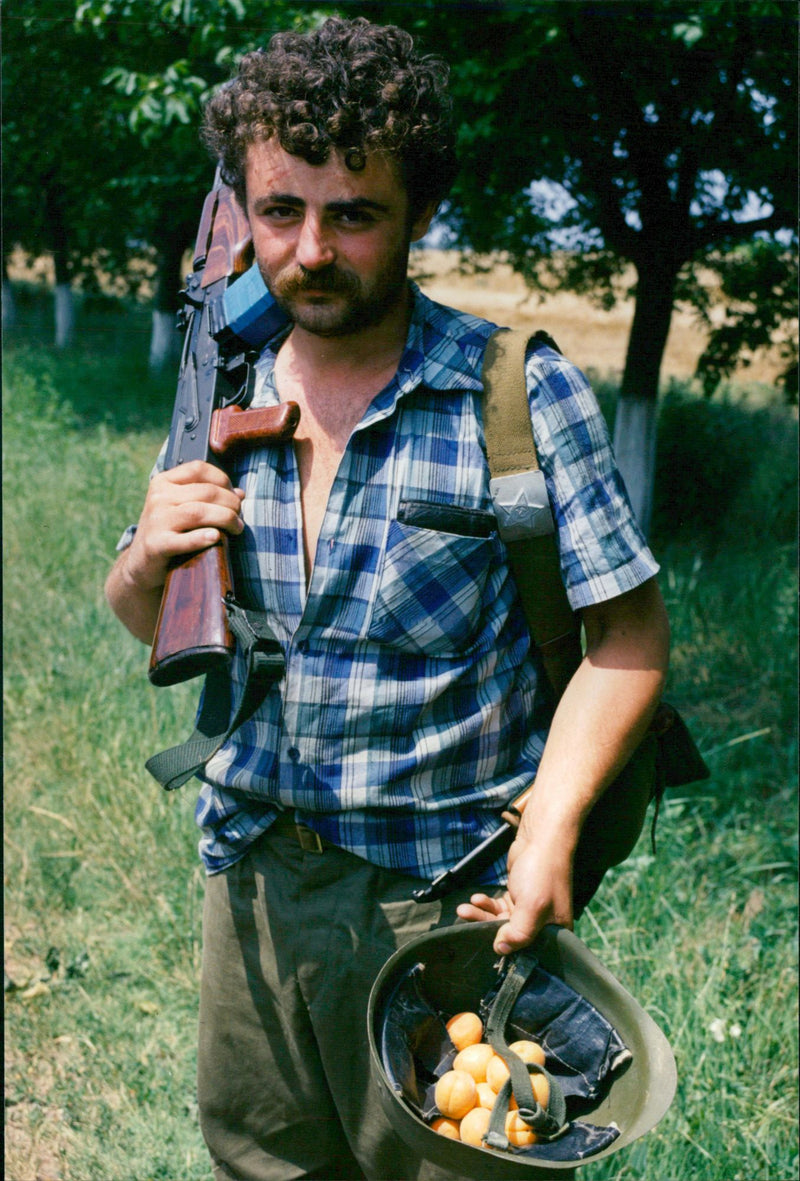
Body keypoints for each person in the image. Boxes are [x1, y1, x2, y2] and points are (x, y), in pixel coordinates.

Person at [105, 16, 670, 1181]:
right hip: (252, 890)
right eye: (278, 212)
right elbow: (155, 623)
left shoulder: (509, 392)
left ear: (417, 215)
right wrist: (142, 558)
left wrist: (552, 824)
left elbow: (627, 635)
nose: (310, 249)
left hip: (440, 912)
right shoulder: (223, 385)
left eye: (351, 214)